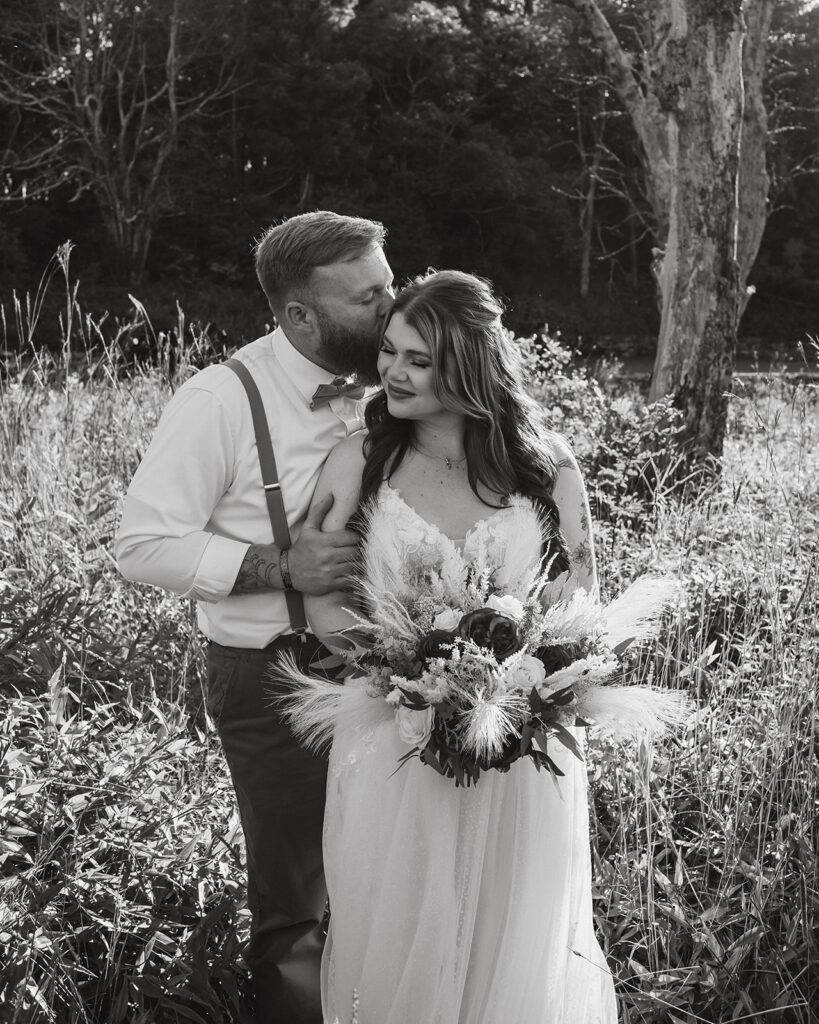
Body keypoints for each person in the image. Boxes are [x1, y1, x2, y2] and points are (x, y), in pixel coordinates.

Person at [301, 269, 618, 1023]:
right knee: (398, 928)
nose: (392, 372)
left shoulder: (546, 471)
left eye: (418, 359)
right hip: (391, 738)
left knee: (511, 938)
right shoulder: (361, 461)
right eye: (388, 352)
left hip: (520, 748)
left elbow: (578, 604)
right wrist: (405, 676)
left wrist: (519, 689)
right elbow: (320, 595)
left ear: (467, 365)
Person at [114, 210, 395, 1024]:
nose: (390, 308)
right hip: (278, 676)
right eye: (366, 298)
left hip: (406, 674)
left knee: (396, 889)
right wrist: (277, 568)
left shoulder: (407, 378)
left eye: (388, 285)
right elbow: (140, 546)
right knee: (298, 912)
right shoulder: (219, 401)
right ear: (298, 316)